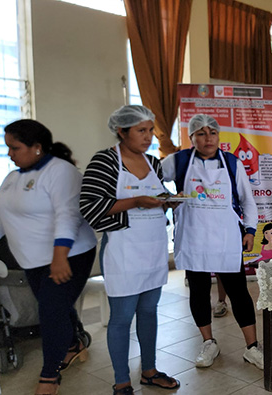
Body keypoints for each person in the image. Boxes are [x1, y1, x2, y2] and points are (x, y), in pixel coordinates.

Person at [0, 120, 97, 395]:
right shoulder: (13, 177)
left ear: (37, 148)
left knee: (50, 312)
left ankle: (49, 377)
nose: (9, 154)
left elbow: (68, 215)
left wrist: (59, 257)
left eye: (14, 147)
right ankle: (74, 345)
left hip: (71, 254)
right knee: (56, 306)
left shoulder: (62, 172)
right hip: (33, 259)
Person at [80, 105, 180, 395]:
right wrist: (136, 201)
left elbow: (156, 197)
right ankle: (121, 381)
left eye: (151, 130)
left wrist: (167, 201)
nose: (148, 137)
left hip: (153, 249)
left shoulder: (153, 163)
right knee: (122, 318)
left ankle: (149, 370)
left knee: (149, 312)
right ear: (121, 131)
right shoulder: (105, 161)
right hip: (123, 251)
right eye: (141, 131)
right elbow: (90, 206)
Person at [160, 113, 264, 369]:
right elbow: (150, 178)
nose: (208, 138)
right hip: (193, 236)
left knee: (238, 291)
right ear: (192, 137)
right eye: (201, 133)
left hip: (226, 237)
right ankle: (209, 343)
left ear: (219, 136)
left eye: (212, 133)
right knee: (198, 290)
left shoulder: (231, 163)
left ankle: (252, 347)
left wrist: (250, 231)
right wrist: (168, 197)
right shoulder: (180, 161)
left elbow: (247, 199)